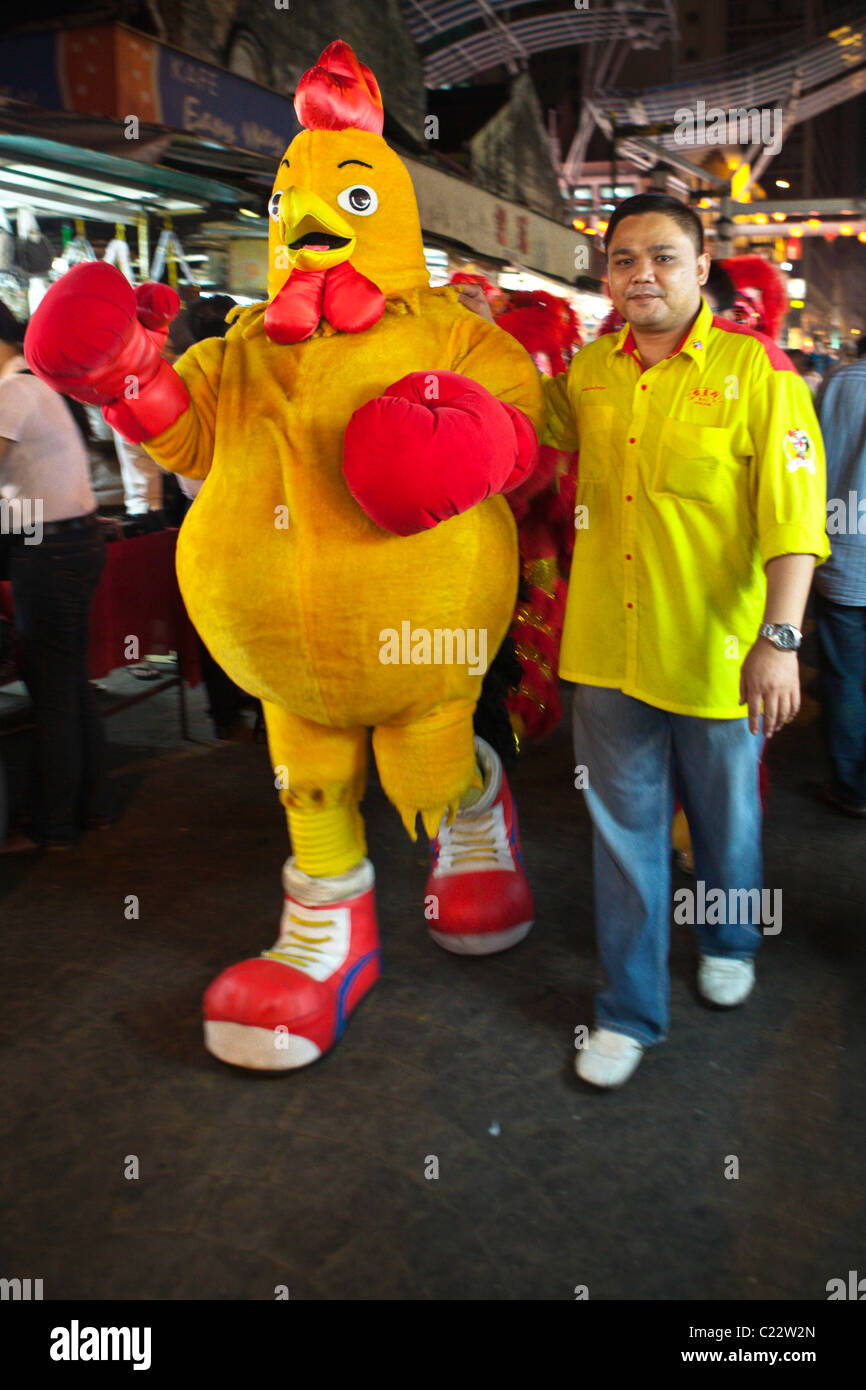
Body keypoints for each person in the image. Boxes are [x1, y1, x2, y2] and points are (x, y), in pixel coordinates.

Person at [543, 192, 829, 1088]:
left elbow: (795, 524)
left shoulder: (760, 374)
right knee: (624, 839)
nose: (643, 275)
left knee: (725, 820)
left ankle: (730, 935)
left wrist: (778, 640)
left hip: (718, 657)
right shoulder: (588, 374)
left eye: (663, 257)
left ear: (702, 269)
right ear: (607, 274)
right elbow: (527, 431)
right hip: (606, 655)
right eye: (624, 259)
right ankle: (628, 1011)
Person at [0, 299, 109, 848]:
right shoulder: (39, 385)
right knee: (69, 681)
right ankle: (91, 806)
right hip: (73, 543)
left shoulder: (12, 392)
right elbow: (15, 487)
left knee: (54, 689)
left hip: (51, 552)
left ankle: (56, 825)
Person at [814, 349, 866, 814]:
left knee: (845, 676)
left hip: (843, 556)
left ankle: (850, 787)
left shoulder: (838, 382)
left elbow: (810, 464)